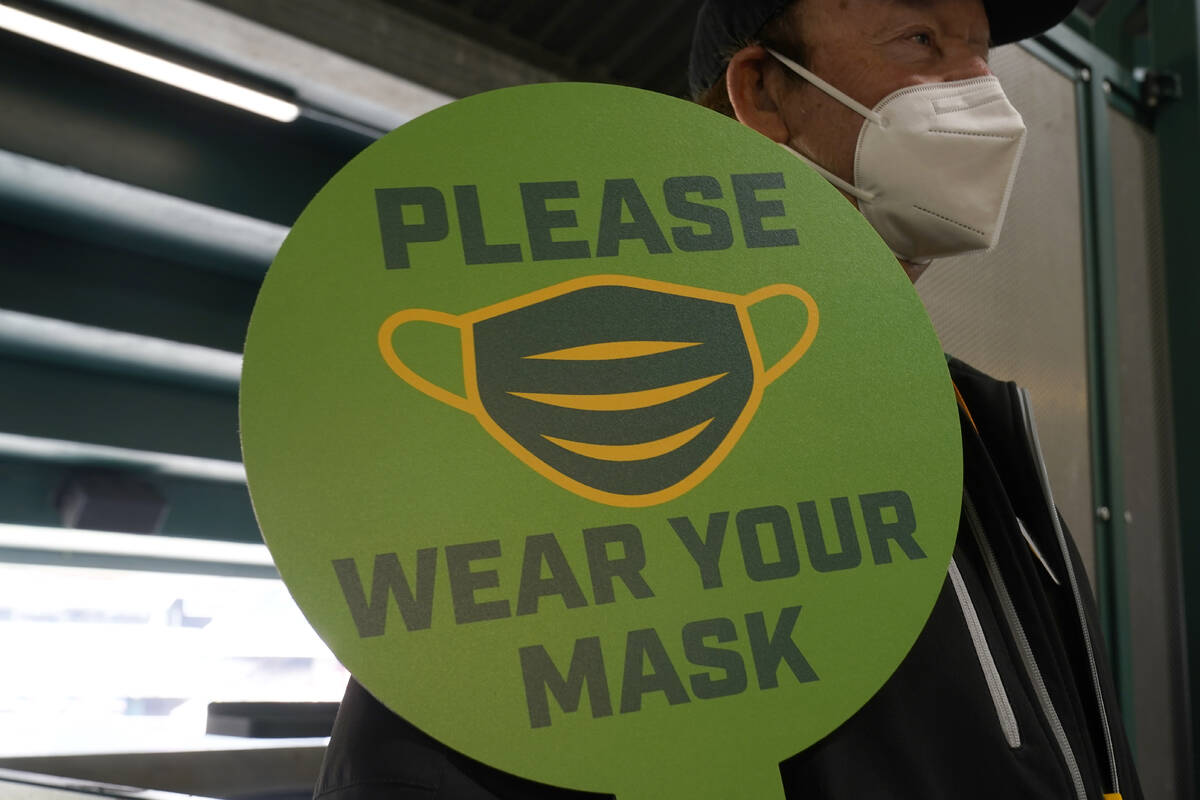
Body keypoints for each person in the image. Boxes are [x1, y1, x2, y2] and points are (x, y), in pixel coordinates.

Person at [314, 1, 1144, 797]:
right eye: (920, 41)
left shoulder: (972, 418)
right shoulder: (581, 434)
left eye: (980, 52)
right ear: (763, 92)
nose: (982, 98)